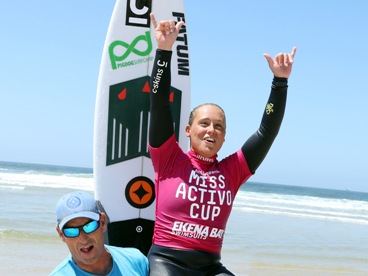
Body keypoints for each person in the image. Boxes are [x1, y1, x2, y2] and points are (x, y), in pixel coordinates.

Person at [147, 13, 296, 276]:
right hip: (167, 261)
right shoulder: (168, 156)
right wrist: (164, 52)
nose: (211, 130)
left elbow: (267, 132)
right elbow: (159, 103)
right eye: (204, 124)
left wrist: (280, 82)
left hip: (211, 266)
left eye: (218, 126)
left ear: (224, 137)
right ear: (188, 130)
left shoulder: (233, 170)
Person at [50, 190, 149, 276]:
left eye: (89, 226)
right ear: (61, 234)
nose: (83, 239)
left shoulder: (136, 261)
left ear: (102, 222)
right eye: (71, 231)